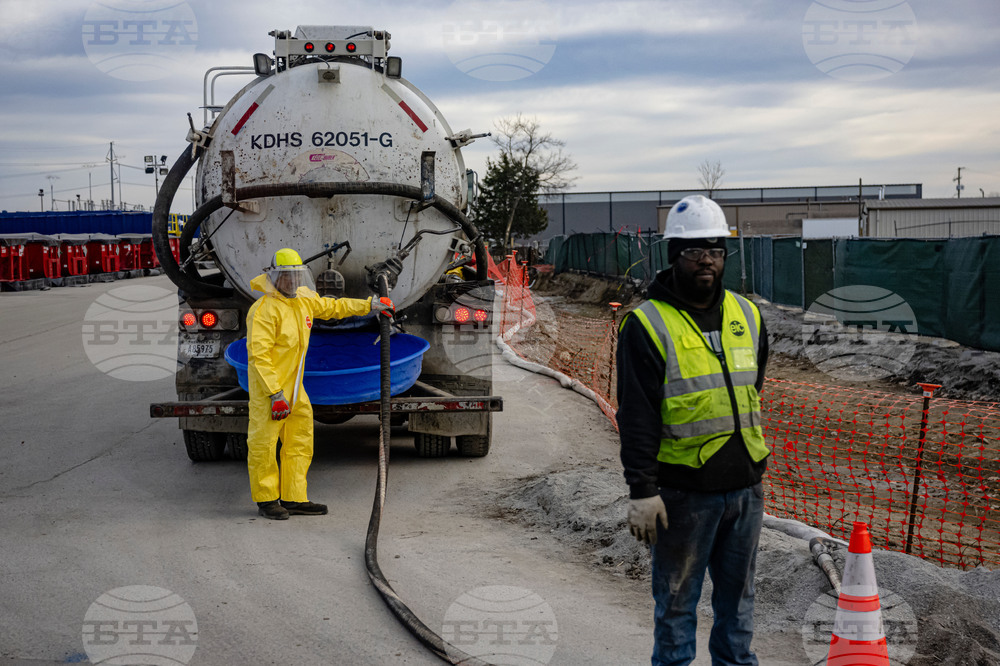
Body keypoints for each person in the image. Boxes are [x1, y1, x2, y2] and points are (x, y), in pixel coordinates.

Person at [616, 195, 770, 665]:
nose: (707, 260)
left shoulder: (748, 315)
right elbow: (637, 414)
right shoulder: (647, 324)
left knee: (738, 609)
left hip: (745, 490)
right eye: (695, 251)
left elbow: (752, 387)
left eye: (716, 250)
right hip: (683, 495)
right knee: (678, 608)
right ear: (674, 256)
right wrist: (642, 489)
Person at [246, 248, 395, 520]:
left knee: (300, 442)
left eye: (295, 276)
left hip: (294, 390)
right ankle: (267, 500)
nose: (291, 282)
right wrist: (274, 393)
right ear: (273, 276)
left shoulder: (303, 300)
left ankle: (293, 497)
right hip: (270, 392)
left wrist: (371, 305)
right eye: (285, 276)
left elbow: (333, 307)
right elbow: (259, 357)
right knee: (264, 445)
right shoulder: (264, 311)